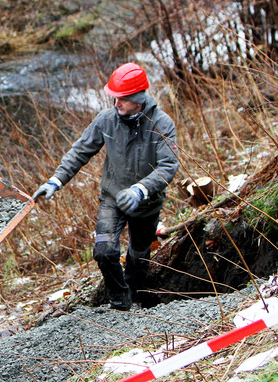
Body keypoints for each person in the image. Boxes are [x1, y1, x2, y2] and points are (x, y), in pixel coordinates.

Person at [32, 62, 179, 311]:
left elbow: (168, 166)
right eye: (114, 97)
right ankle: (120, 302)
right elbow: (80, 151)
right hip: (112, 198)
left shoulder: (162, 125)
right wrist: (56, 180)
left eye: (122, 98)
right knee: (104, 251)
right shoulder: (106, 120)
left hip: (147, 202)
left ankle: (139, 298)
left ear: (138, 98)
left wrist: (140, 189)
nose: (116, 103)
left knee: (139, 256)